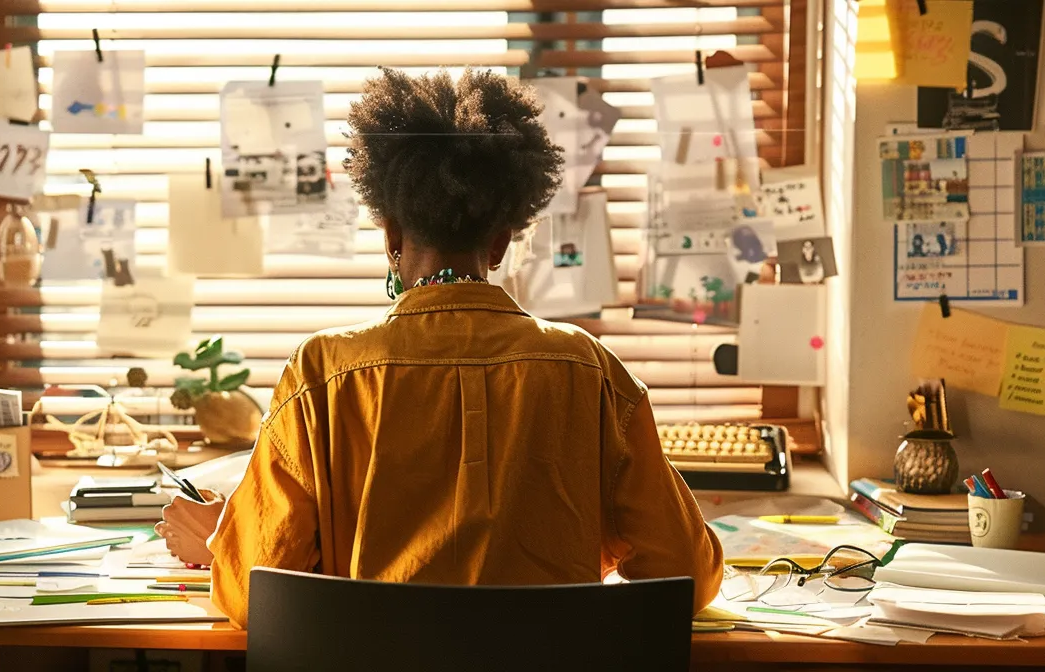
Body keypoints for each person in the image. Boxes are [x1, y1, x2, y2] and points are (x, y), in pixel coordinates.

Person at [158, 68, 724, 627]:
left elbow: (255, 596)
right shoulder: (587, 368)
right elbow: (686, 575)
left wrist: (221, 543)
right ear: (501, 242)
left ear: (392, 238)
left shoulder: (322, 373)